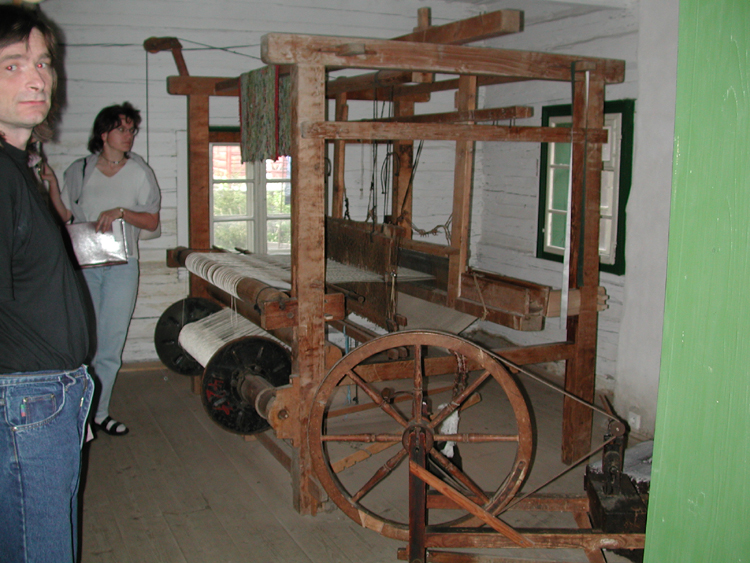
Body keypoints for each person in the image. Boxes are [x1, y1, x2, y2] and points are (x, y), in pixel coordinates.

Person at [0, 6, 94, 563]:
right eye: (12, 65)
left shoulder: (19, 166)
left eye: (42, 62)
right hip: (26, 402)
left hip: (41, 401)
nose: (37, 78)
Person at [46, 101, 161, 436]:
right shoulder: (80, 170)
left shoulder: (140, 171)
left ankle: (99, 412)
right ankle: (75, 413)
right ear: (103, 133)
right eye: (121, 129)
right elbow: (66, 216)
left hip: (123, 265)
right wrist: (52, 184)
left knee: (111, 343)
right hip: (85, 265)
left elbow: (152, 220)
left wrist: (121, 211)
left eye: (131, 130)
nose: (128, 136)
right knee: (84, 341)